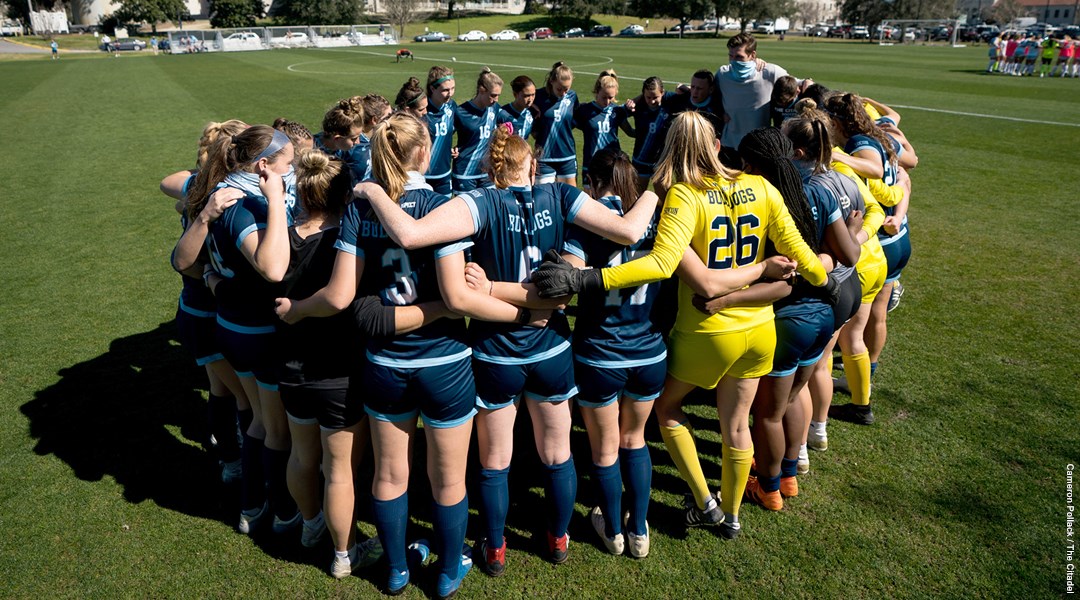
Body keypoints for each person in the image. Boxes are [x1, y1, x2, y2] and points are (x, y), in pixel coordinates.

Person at [352, 124, 662, 575]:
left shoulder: (478, 201)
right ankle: (558, 539)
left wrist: (373, 192)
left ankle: (494, 548)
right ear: (533, 165)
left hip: (496, 350)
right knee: (557, 452)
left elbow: (413, 234)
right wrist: (655, 188)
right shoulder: (560, 195)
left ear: (490, 167)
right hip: (551, 345)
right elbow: (631, 231)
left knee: (495, 459)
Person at [532, 112, 829, 540]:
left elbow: (662, 263)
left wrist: (586, 279)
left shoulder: (685, 196)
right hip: (759, 330)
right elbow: (800, 251)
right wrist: (821, 280)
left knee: (667, 410)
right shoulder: (761, 186)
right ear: (714, 143)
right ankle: (730, 516)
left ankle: (703, 499)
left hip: (708, 331)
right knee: (737, 424)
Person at [727, 128, 862, 511]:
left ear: (752, 165)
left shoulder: (763, 200)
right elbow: (842, 252)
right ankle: (788, 475)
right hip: (824, 312)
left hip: (788, 316)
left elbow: (777, 275)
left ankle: (767, 488)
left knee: (768, 412)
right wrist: (847, 238)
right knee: (793, 396)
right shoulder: (819, 189)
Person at [193, 125, 299, 535]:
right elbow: (272, 268)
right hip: (255, 333)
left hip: (234, 326)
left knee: (258, 420)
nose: (291, 172)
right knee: (273, 429)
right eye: (287, 165)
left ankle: (253, 505)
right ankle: (276, 509)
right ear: (263, 166)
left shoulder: (222, 191)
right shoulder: (244, 206)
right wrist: (275, 201)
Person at [559, 149, 664, 558]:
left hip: (601, 352)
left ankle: (613, 531)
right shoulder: (652, 218)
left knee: (604, 448)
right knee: (635, 441)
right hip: (648, 351)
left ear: (592, 180)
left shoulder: (588, 220)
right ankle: (638, 530)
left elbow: (566, 282)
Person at [161, 120, 251, 486]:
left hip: (203, 309)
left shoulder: (202, 188)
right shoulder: (224, 197)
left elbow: (169, 184)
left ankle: (232, 457)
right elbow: (187, 264)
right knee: (244, 398)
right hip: (209, 311)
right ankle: (242, 468)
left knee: (222, 389)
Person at [715, 33, 806, 159]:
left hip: (759, 147)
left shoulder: (770, 72)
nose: (733, 61)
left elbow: (798, 84)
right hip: (729, 145)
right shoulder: (722, 74)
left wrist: (808, 82)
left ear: (752, 55)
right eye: (731, 56)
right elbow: (710, 94)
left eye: (739, 57)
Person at [574, 71, 634, 186]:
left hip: (612, 163)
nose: (607, 101)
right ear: (597, 92)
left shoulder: (617, 111)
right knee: (590, 199)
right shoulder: (584, 110)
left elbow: (630, 132)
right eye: (604, 97)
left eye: (610, 97)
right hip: (591, 163)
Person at [452, 67, 502, 193]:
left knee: (490, 210)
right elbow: (445, 135)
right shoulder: (461, 112)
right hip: (465, 172)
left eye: (498, 96)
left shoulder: (494, 108)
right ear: (481, 90)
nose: (496, 100)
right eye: (493, 95)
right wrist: (451, 149)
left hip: (487, 173)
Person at [533, 62, 580, 186]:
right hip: (543, 157)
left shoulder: (572, 97)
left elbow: (574, 120)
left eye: (566, 89)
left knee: (570, 199)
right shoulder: (538, 96)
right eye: (559, 89)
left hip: (567, 156)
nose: (563, 93)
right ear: (551, 81)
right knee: (543, 200)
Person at [630, 76, 676, 191]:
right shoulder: (638, 105)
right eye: (648, 97)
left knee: (663, 196)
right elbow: (619, 114)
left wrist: (683, 87)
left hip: (661, 161)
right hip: (641, 159)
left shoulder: (670, 101)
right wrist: (630, 132)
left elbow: (689, 96)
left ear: (663, 93)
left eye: (655, 97)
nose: (652, 101)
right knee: (636, 196)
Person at [424, 65, 458, 195]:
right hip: (423, 176)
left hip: (444, 175)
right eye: (445, 90)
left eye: (453, 88)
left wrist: (455, 148)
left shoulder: (451, 106)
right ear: (432, 88)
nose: (450, 94)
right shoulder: (422, 110)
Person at [314, 97, 365, 164]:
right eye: (353, 139)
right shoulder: (311, 152)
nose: (358, 142)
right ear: (337, 138)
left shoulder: (347, 148)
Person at [497, 75, 537, 141]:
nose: (530, 99)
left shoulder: (532, 112)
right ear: (515, 94)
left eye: (533, 95)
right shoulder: (503, 114)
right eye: (526, 96)